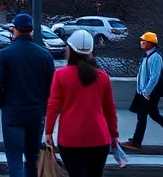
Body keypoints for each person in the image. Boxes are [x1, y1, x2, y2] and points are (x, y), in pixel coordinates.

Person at [0, 13, 55, 177]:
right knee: (32, 158)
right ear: (31, 30)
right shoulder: (45, 55)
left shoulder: (5, 54)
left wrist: (1, 103)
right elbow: (53, 87)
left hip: (12, 112)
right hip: (36, 113)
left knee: (14, 158)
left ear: (15, 30)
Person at [44, 30, 118, 177]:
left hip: (70, 138)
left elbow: (53, 106)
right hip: (99, 137)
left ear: (70, 50)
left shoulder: (60, 75)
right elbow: (110, 109)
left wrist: (49, 132)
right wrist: (114, 135)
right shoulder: (102, 76)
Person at [121, 31, 163, 152]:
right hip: (144, 92)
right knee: (154, 115)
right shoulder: (147, 56)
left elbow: (154, 77)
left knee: (142, 116)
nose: (141, 43)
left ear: (151, 44)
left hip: (150, 93)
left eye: (144, 41)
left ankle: (136, 142)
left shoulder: (155, 57)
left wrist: (146, 91)